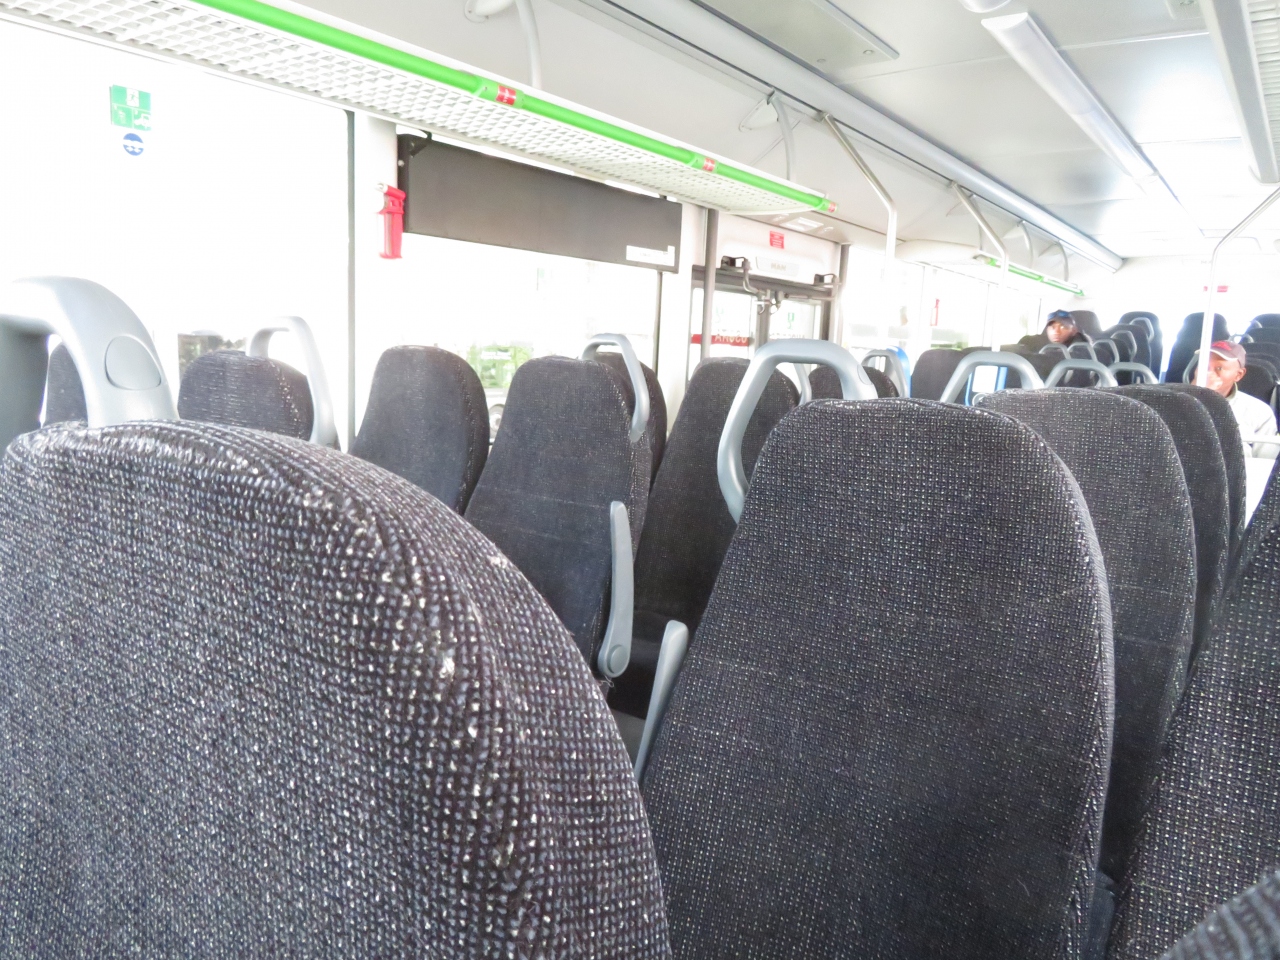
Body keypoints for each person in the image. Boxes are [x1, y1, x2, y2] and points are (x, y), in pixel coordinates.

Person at [1195, 341, 1279, 460]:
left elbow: (1265, 462)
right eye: (1204, 366)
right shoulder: (1175, 402)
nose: (1207, 373)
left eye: (1219, 368)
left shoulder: (1259, 411)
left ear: (1238, 375)